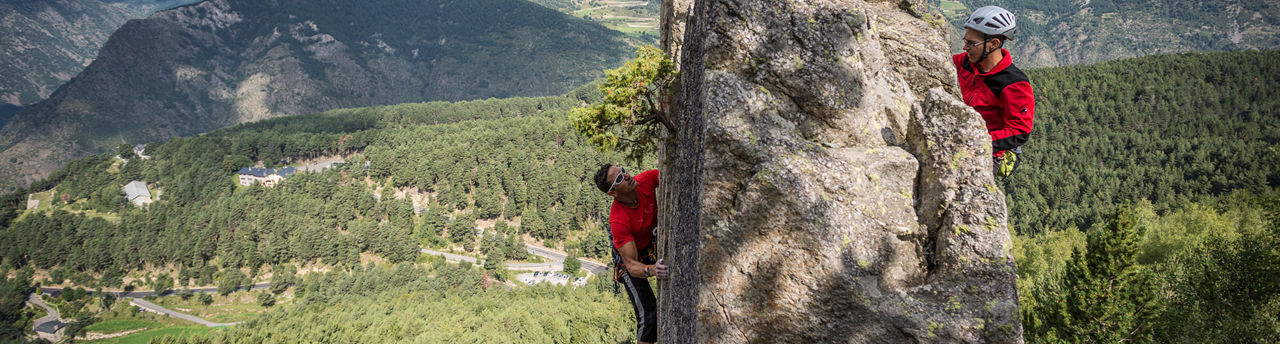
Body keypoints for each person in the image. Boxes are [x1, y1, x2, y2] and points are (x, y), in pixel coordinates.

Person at [953, 5, 1036, 179]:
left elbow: (1020, 131)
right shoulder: (965, 62)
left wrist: (979, 141)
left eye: (971, 43)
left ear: (994, 44)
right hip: (961, 135)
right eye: (965, 40)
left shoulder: (1014, 83)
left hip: (991, 152)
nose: (965, 47)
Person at [594, 164, 666, 344]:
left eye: (623, 171)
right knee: (648, 315)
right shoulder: (618, 220)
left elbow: (671, 175)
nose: (626, 176)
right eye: (619, 179)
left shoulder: (645, 180)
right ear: (613, 193)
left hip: (650, 244)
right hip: (628, 259)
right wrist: (651, 270)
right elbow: (632, 265)